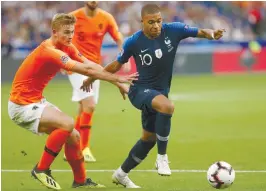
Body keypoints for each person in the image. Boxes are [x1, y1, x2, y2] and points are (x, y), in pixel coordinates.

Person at [81, 3, 226, 188]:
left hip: (159, 93)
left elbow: (201, 32)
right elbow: (116, 65)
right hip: (139, 90)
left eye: (158, 21)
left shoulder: (174, 30)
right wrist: (93, 76)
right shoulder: (133, 42)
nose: (156, 25)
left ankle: (121, 174)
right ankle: (162, 158)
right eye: (151, 22)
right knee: (168, 106)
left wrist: (213, 34)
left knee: (148, 139)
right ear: (142, 22)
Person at [8, 13, 137, 190]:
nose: (70, 36)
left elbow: (90, 65)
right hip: (21, 105)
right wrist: (118, 80)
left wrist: (116, 81)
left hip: (35, 101)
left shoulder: (67, 46)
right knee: (67, 123)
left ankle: (80, 181)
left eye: (72, 32)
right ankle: (41, 169)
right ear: (54, 31)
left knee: (74, 136)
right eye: (66, 32)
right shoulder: (50, 51)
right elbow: (85, 70)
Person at [66, 1, 131, 162]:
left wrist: (125, 56)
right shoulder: (73, 17)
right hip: (76, 66)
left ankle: (71, 148)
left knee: (83, 108)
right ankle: (84, 148)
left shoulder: (106, 18)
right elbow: (60, 37)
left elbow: (118, 37)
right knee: (90, 104)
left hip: (95, 67)